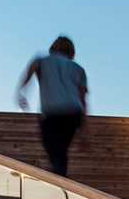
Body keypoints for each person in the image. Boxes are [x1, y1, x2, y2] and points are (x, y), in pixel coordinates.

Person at [17, 36, 88, 177]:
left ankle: (59, 176)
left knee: (52, 147)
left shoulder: (41, 61)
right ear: (71, 52)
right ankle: (60, 174)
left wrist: (21, 91)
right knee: (61, 149)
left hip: (53, 112)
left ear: (52, 48)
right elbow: (83, 100)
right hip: (73, 113)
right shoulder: (78, 69)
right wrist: (84, 131)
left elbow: (29, 72)